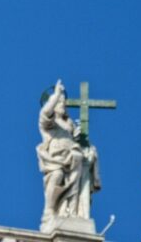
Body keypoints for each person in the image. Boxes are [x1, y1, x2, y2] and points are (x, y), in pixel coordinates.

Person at [36, 80, 100, 231]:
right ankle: (49, 210)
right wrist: (56, 95)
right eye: (59, 103)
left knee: (74, 184)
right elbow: (44, 113)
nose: (63, 105)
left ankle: (70, 211)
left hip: (72, 160)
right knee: (57, 175)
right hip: (55, 159)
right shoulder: (49, 123)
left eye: (63, 103)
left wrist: (78, 138)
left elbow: (76, 141)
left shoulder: (69, 124)